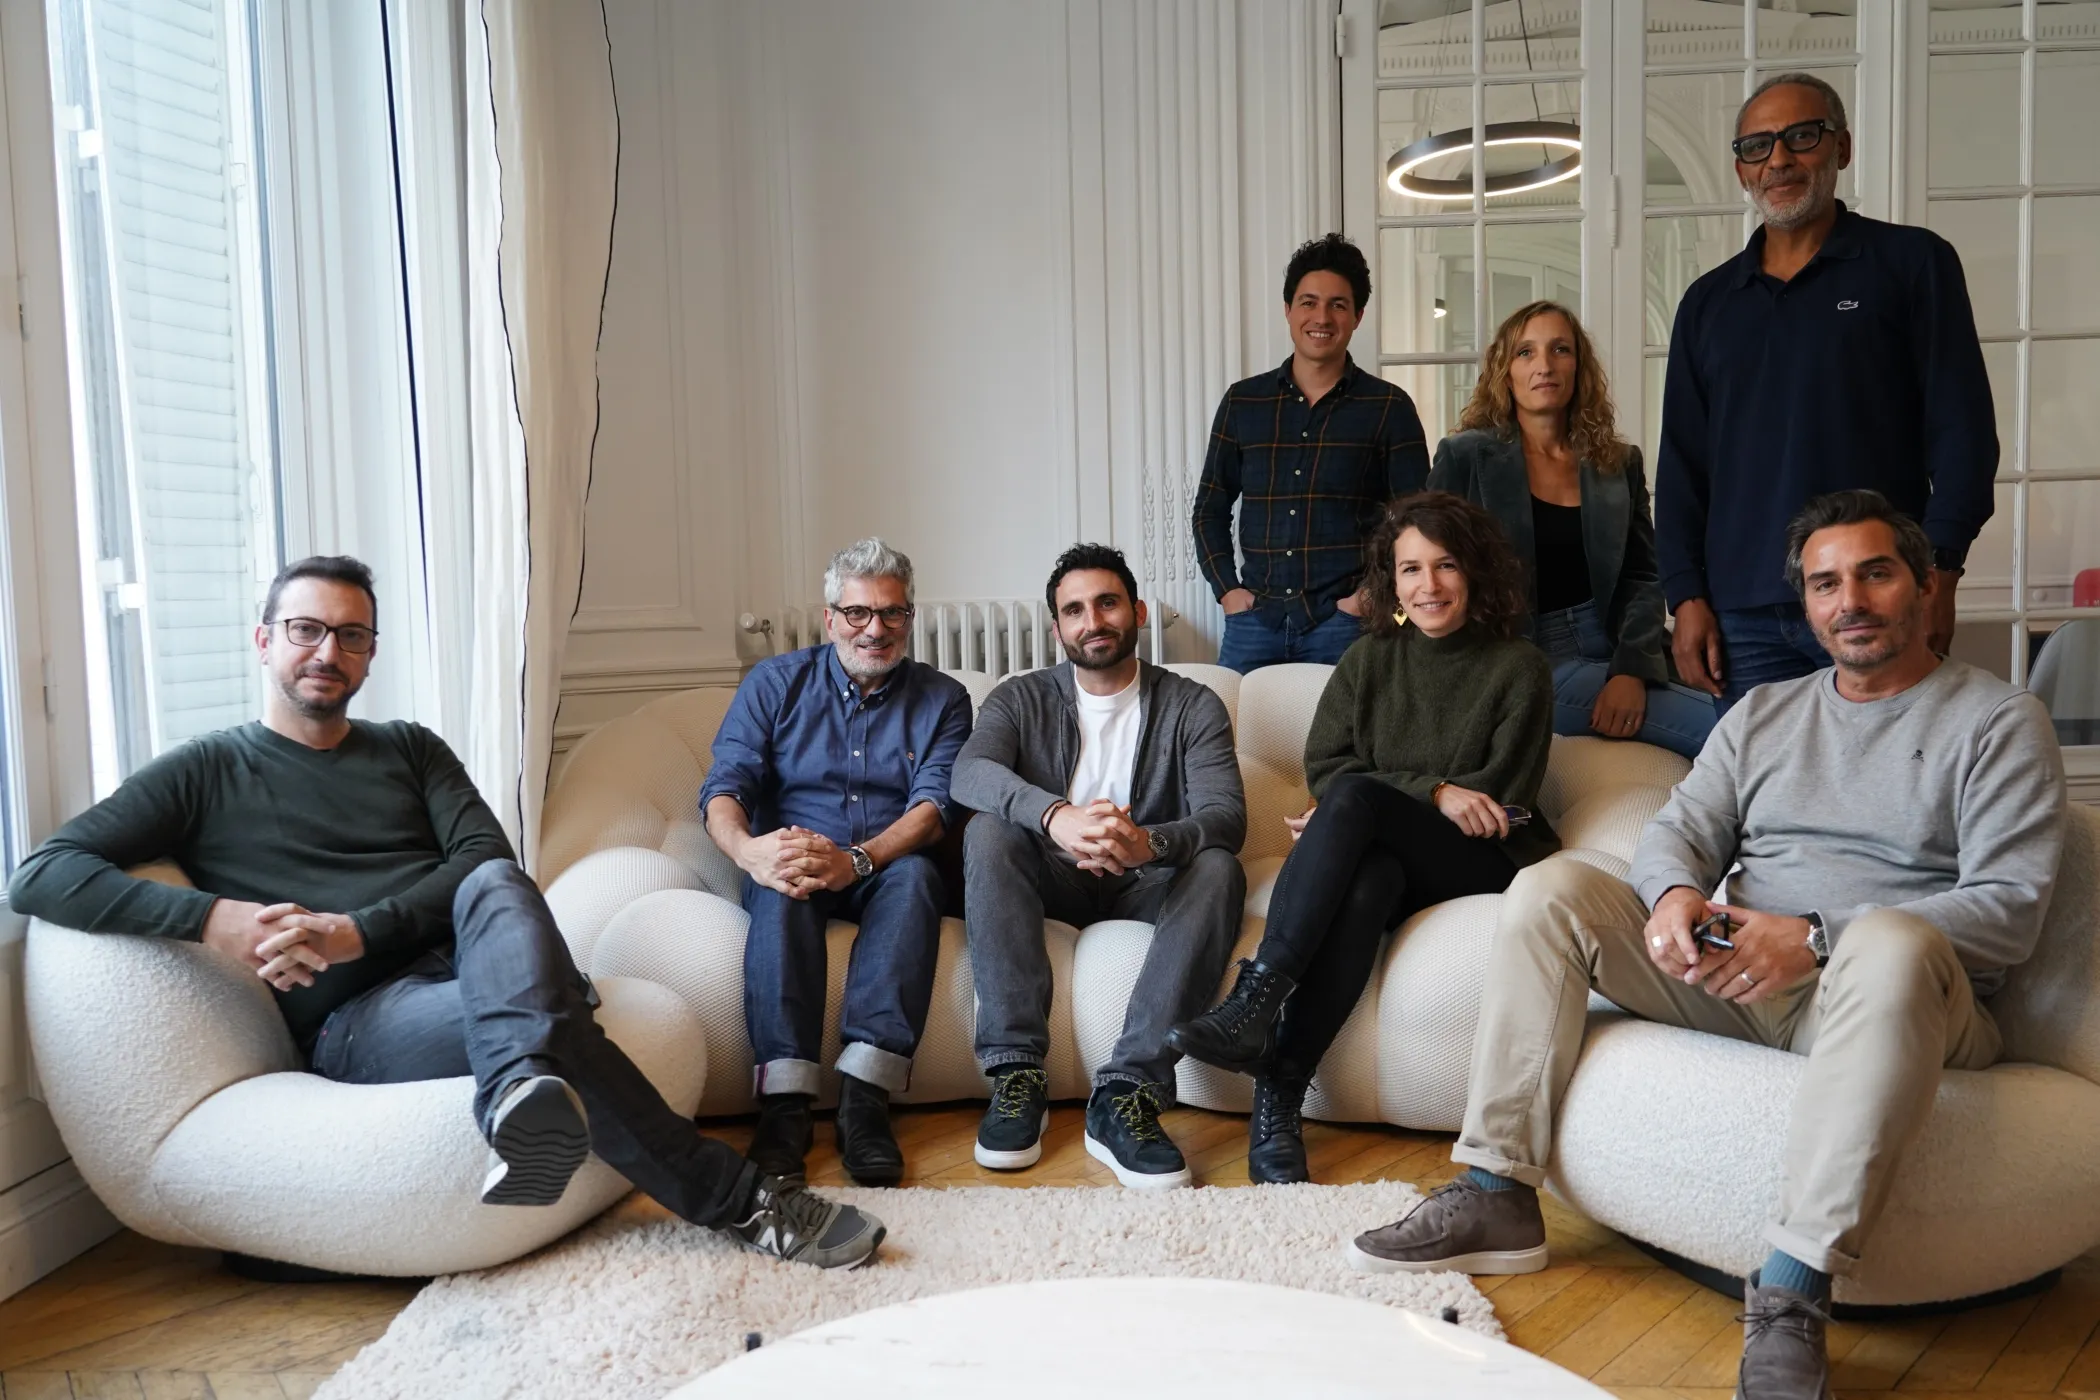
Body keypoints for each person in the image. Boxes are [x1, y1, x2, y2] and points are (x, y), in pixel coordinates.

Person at [1348, 492, 2065, 1400]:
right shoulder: (1766, 713)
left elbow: (2012, 908)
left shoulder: (1998, 721)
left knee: (1887, 940)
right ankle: (1496, 1189)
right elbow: (1676, 830)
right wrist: (1678, 896)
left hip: (1895, 997)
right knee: (1555, 887)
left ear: (1923, 585)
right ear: (1804, 604)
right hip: (1738, 974)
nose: (1851, 600)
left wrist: (1815, 937)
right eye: (1825, 583)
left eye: (1875, 574)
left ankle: (1796, 1291)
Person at [7, 556, 884, 1270]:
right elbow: (41, 873)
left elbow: (487, 865)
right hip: (364, 1018)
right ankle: (743, 1205)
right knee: (554, 1023)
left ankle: (517, 1089)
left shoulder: (411, 750)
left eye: (350, 636)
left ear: (369, 653)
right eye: (307, 630)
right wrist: (216, 921)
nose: (326, 651)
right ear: (265, 639)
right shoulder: (205, 771)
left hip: (482, 967)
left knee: (497, 885)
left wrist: (357, 927)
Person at [1166, 493, 1559, 1184]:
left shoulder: (1519, 667)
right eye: (1410, 569)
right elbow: (1325, 763)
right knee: (1369, 876)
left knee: (1354, 801)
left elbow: (1495, 794)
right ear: (1391, 579)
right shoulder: (1371, 659)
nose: (1427, 585)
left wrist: (1391, 795)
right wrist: (1430, 790)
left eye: (1444, 566)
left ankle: (1253, 1003)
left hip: (1480, 858)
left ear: (1474, 573)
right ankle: (1281, 1089)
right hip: (1390, 851)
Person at [1657, 72, 1996, 715]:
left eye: (1800, 137)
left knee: (1895, 789)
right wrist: (1686, 597)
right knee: (1765, 803)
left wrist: (1940, 572)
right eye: (1757, 146)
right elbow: (1682, 465)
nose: (1778, 159)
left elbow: (1963, 432)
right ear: (1741, 171)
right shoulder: (1706, 304)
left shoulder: (1912, 263)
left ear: (1840, 148)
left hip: (1875, 595)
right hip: (1744, 614)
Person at [952, 544, 1247, 1189]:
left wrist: (1149, 844)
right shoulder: (1019, 697)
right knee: (988, 832)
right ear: (1057, 628)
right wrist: (1057, 816)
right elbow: (969, 774)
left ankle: (1127, 1094)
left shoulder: (1193, 705)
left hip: (1146, 879)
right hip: (1051, 876)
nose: (1094, 621)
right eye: (1075, 610)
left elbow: (1226, 816)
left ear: (1137, 611)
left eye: (1108, 602)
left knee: (1220, 865)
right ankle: (1016, 1073)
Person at [701, 538, 971, 1188]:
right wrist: (751, 852)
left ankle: (865, 1099)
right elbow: (724, 788)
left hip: (885, 860)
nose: (874, 629)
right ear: (830, 618)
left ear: (910, 618)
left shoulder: (945, 699)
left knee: (915, 878)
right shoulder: (775, 683)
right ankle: (785, 1109)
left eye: (892, 614)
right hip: (797, 849)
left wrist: (858, 859)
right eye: (858, 613)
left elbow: (933, 808)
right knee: (782, 876)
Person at [1431, 300, 1716, 760]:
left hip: (1614, 640)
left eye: (1560, 349)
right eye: (1525, 352)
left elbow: (1642, 579)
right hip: (1523, 658)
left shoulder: (1617, 463)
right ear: (1505, 372)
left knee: (1741, 701)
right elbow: (1427, 572)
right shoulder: (1464, 457)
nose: (1544, 365)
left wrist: (1631, 670)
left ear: (1578, 367)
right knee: (1721, 726)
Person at [1192, 233, 1431, 673]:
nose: (1322, 317)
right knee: (1236, 740)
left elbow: (1416, 524)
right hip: (1252, 623)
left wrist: (1367, 601)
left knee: (1346, 743)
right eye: (1308, 302)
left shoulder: (1388, 407)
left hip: (1344, 625)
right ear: (1288, 310)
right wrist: (1228, 592)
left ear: (1357, 316)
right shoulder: (1244, 402)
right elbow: (1209, 509)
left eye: (1338, 305)